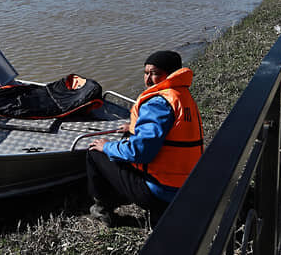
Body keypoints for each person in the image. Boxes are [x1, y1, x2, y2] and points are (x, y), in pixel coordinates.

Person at [86, 50, 204, 226]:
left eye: (155, 73)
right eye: (146, 73)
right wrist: (133, 128)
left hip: (160, 191)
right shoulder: (181, 96)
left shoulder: (158, 102)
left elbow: (140, 152)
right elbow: (170, 131)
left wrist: (107, 147)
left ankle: (103, 211)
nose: (148, 79)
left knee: (95, 153)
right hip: (186, 185)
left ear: (170, 74)